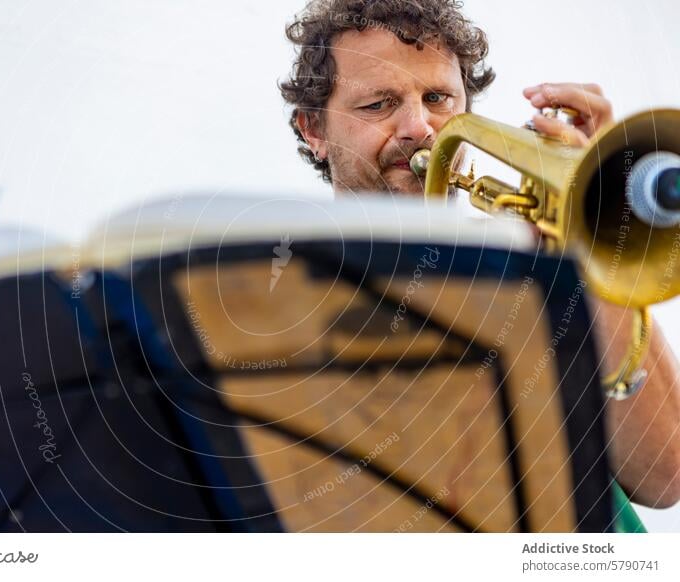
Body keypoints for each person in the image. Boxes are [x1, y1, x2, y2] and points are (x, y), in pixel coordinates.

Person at [280, 0, 680, 509]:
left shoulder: (533, 270)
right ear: (313, 130)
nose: (420, 127)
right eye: (378, 104)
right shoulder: (274, 295)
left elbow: (666, 477)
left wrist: (598, 235)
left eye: (438, 97)